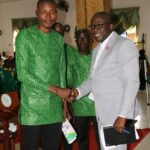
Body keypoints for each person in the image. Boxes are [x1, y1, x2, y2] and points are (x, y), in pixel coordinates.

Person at [50, 11, 140, 150]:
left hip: (116, 114)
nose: (95, 30)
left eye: (99, 26)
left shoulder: (124, 45)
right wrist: (77, 92)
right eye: (93, 27)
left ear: (110, 26)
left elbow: (131, 83)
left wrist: (123, 116)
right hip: (101, 112)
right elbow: (93, 79)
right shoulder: (98, 49)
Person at [15, 0, 70, 150]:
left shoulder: (58, 39)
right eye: (44, 12)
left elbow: (61, 72)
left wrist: (64, 105)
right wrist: (57, 90)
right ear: (37, 13)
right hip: (32, 107)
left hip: (54, 106)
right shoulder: (25, 36)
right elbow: (22, 74)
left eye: (52, 12)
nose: (48, 16)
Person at [66, 28, 100, 150]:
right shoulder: (72, 57)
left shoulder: (97, 55)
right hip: (79, 103)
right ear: (76, 40)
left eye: (85, 37)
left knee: (101, 137)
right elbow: (69, 80)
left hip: (97, 103)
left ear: (91, 40)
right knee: (82, 138)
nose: (82, 40)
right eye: (79, 38)